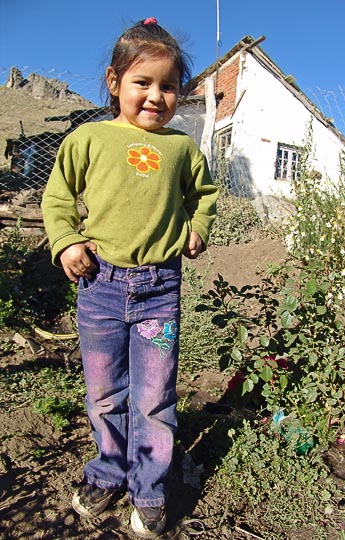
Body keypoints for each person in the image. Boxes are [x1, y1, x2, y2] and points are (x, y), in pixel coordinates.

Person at [41, 17, 218, 539]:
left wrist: (197, 226)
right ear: (115, 81)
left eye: (168, 86)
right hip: (100, 287)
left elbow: (203, 196)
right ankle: (108, 470)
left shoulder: (182, 149)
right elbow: (57, 198)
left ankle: (149, 487)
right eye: (143, 82)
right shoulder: (88, 139)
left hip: (159, 290)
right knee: (104, 393)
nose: (156, 96)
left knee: (154, 396)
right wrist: (67, 240)